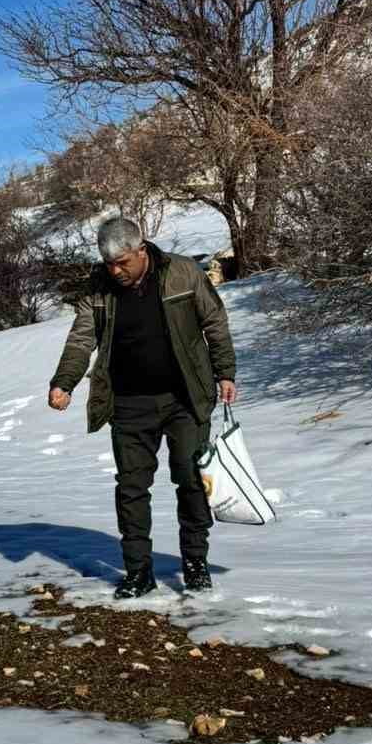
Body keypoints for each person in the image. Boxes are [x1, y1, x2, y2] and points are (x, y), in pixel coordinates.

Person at [48, 217, 237, 598]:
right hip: (128, 404)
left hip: (185, 397)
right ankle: (138, 572)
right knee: (131, 488)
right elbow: (81, 339)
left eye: (122, 262)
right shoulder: (98, 288)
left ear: (141, 249)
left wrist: (225, 373)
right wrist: (63, 382)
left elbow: (214, 321)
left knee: (190, 481)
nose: (116, 270)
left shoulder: (183, 273)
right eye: (109, 264)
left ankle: (195, 563)